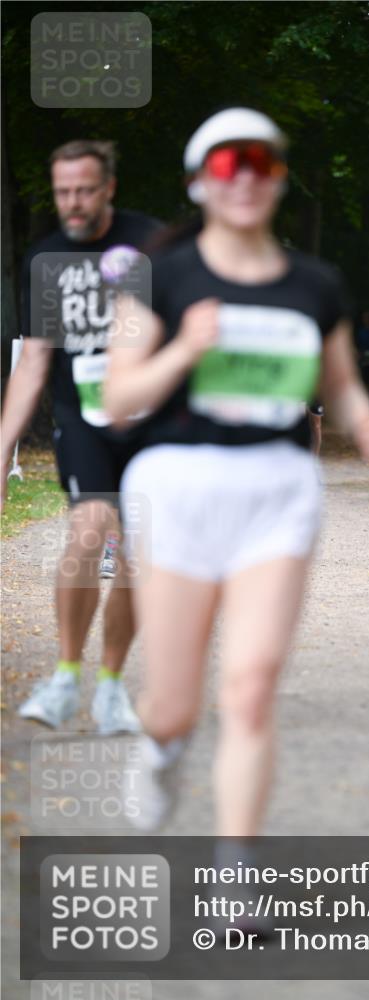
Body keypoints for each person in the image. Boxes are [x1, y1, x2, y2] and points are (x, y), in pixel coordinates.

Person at [104, 109, 369, 857]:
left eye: (261, 165)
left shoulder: (313, 284)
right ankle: (160, 748)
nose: (245, 180)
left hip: (276, 489)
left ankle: (236, 873)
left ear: (277, 178)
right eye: (228, 166)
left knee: (251, 687)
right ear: (200, 182)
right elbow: (116, 398)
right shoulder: (161, 277)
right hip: (178, 487)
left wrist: (365, 421)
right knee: (172, 706)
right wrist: (184, 351)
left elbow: (341, 384)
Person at [0, 139, 162, 732]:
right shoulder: (45, 259)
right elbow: (35, 361)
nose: (73, 201)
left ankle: (112, 687)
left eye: (85, 190)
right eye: (63, 190)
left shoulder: (151, 243)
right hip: (84, 419)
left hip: (151, 422)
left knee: (139, 555)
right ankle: (67, 675)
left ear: (109, 188)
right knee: (92, 528)